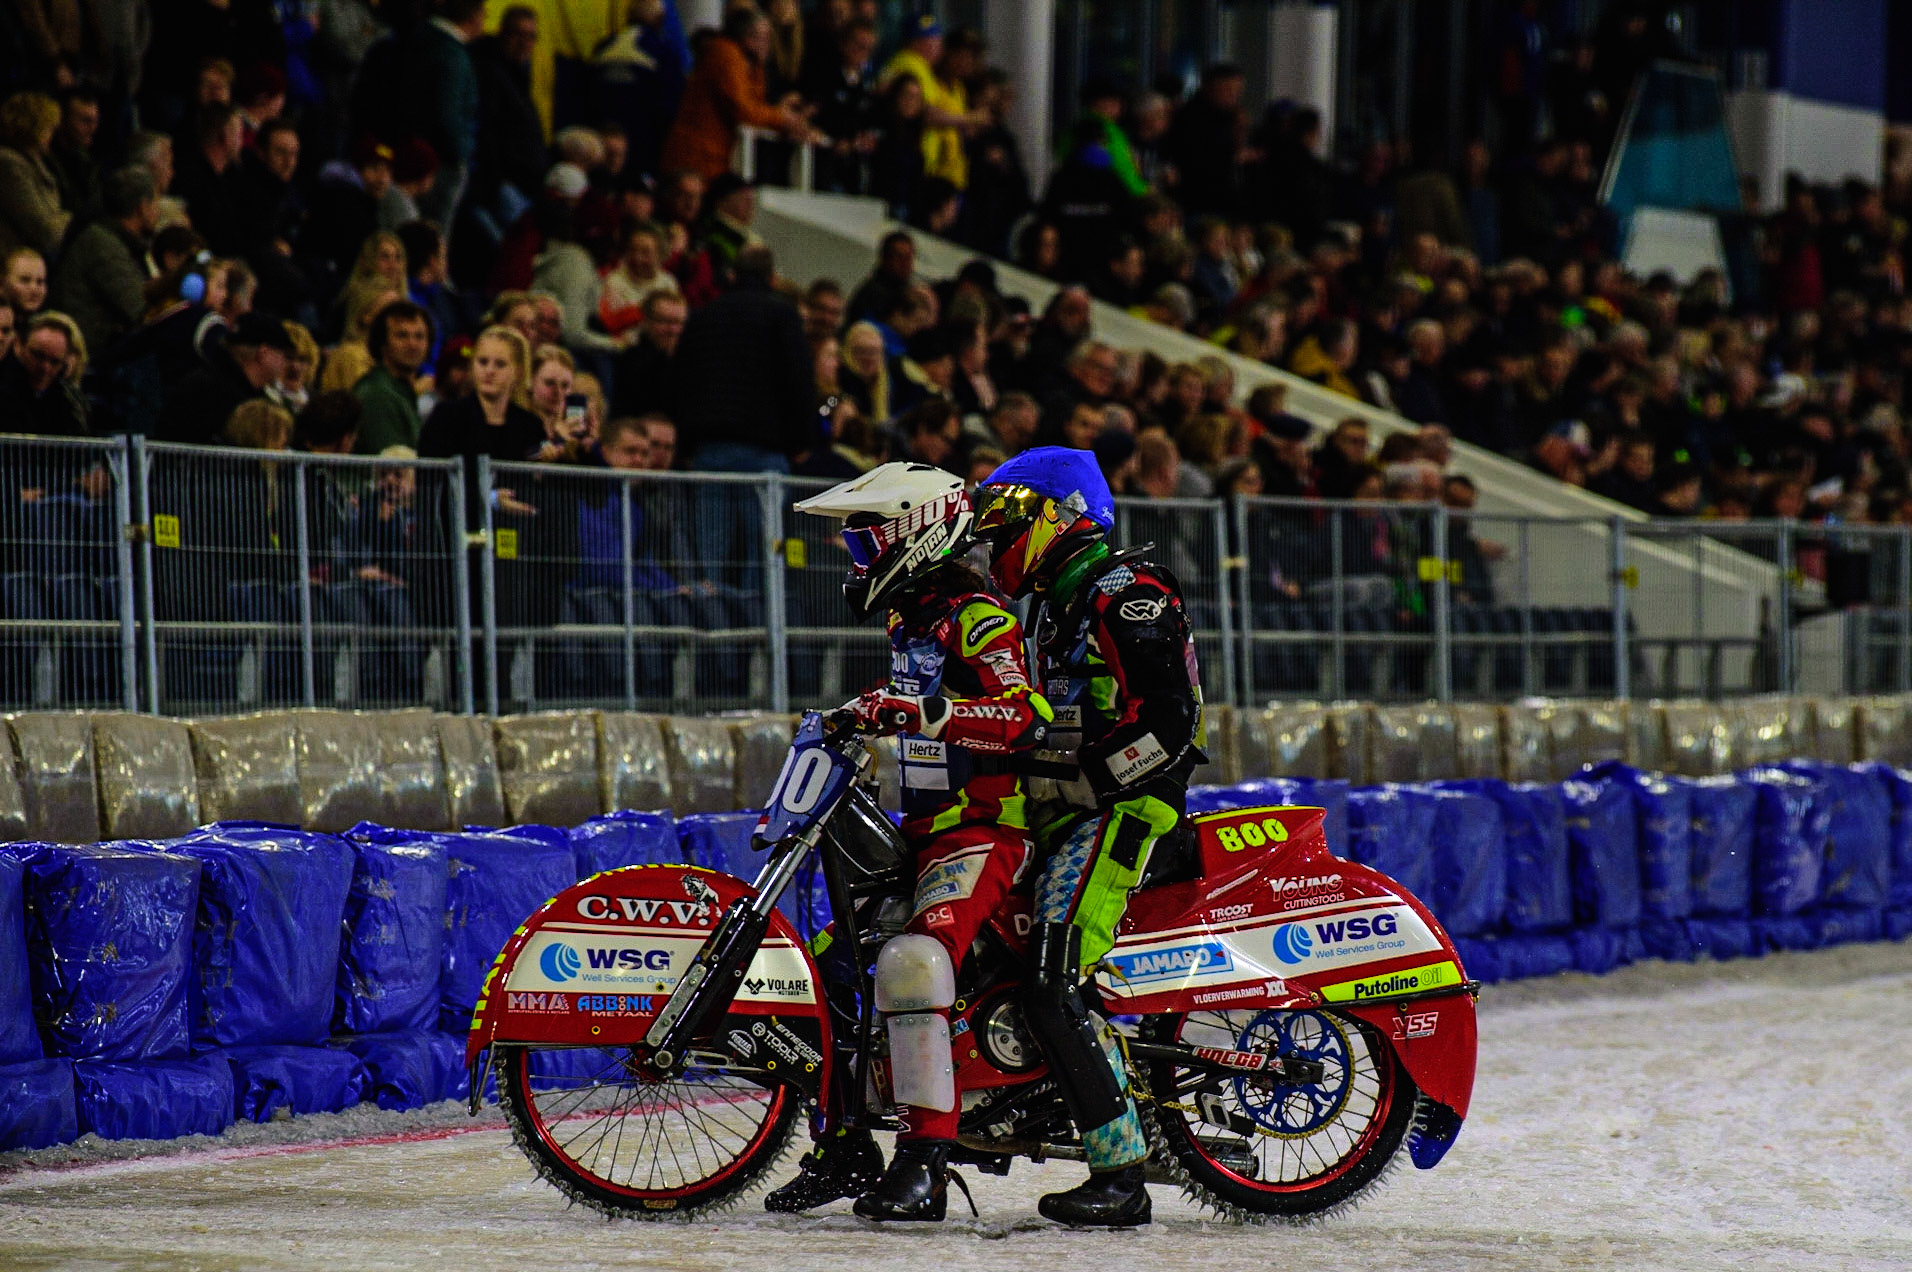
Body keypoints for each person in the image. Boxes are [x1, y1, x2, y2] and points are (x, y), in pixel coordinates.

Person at [771, 461, 1053, 1221]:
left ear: (917, 535)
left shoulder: (978, 617)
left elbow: (1025, 716)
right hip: (924, 831)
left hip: (986, 830)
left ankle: (924, 1162)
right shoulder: (911, 619)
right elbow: (913, 703)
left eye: (867, 545)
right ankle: (843, 1147)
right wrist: (856, 714)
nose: (857, 563)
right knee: (828, 971)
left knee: (912, 963)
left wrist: (921, 714)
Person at [968, 445, 1207, 1227]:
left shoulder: (1125, 592)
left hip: (1126, 811)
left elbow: (1169, 722)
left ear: (1059, 513)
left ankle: (1120, 1174)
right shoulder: (1055, 602)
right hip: (1071, 807)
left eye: (1008, 517)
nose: (994, 537)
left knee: (1051, 979)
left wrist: (1087, 782)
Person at [671, 244, 813, 471]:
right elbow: (798, 380)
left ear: (733, 275)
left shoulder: (703, 316)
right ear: (771, 278)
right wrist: (802, 440)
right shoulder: (783, 317)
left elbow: (681, 380)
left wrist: (685, 445)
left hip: (708, 447)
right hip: (765, 448)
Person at [659, 5, 810, 183]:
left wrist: (781, 113)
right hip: (694, 160)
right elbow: (743, 109)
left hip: (713, 159)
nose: (768, 45)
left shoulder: (751, 64)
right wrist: (782, 119)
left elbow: (756, 105)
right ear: (747, 37)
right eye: (763, 37)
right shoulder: (725, 54)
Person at [50, 163, 160, 359]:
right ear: (143, 208)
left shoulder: (115, 239)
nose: (158, 211)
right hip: (88, 354)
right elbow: (140, 310)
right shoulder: (103, 246)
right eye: (155, 203)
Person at [157, 311, 294, 445]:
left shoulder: (244, 390)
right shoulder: (208, 391)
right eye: (284, 355)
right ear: (264, 353)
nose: (286, 363)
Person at [353, 300, 432, 453]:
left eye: (419, 336)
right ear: (382, 343)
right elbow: (392, 462)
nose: (412, 344)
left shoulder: (405, 392)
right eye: (402, 336)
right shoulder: (376, 394)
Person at [0, 92, 69, 260]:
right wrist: (72, 220)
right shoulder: (10, 165)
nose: (52, 134)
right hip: (14, 259)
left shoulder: (37, 163)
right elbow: (44, 230)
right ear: (33, 126)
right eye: (48, 127)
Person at [0, 313, 89, 436]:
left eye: (55, 362)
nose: (45, 368)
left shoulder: (70, 402)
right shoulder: (4, 389)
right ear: (19, 345)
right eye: (38, 356)